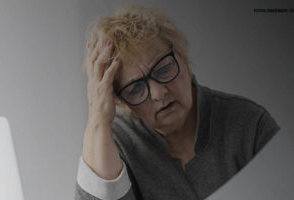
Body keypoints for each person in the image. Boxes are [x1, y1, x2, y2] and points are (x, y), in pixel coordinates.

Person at [74, 4, 280, 200]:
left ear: (182, 56)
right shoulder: (113, 144)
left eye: (163, 69)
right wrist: (97, 121)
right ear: (121, 101)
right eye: (135, 89)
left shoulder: (249, 123)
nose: (157, 93)